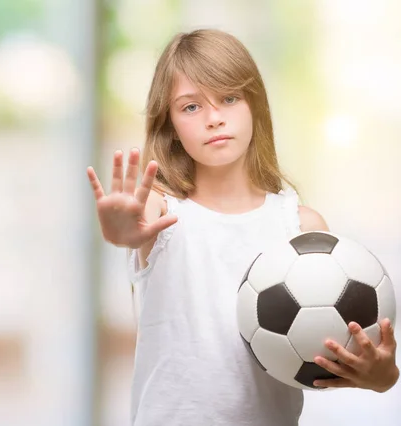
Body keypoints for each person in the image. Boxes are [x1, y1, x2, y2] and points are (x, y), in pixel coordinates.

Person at [86, 28, 398, 425]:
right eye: (191, 107)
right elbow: (130, 229)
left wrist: (381, 373)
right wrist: (119, 229)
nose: (214, 119)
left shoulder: (301, 225)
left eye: (229, 99)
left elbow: (362, 365)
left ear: (255, 105)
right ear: (170, 123)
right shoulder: (161, 209)